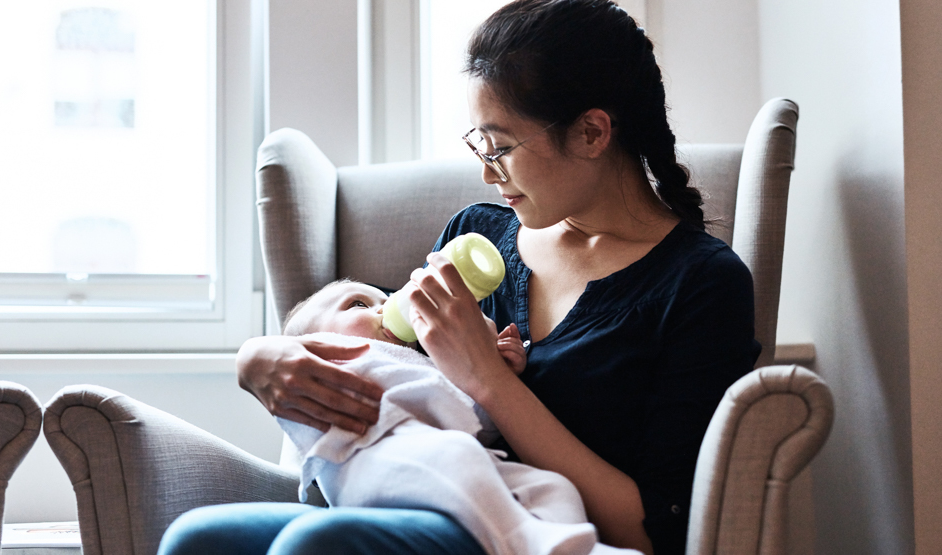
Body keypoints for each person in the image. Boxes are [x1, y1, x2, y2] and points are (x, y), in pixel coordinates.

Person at [162, 1, 759, 554]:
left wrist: (489, 382)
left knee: (317, 547)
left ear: (592, 132)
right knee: (200, 539)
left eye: (499, 147)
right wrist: (259, 356)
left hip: (537, 531)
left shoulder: (702, 283)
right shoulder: (476, 238)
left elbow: (652, 528)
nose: (486, 175)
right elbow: (377, 345)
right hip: (414, 498)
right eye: (478, 145)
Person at [267, 278, 633, 555]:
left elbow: (483, 425)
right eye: (359, 303)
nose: (387, 307)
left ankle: (575, 542)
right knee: (458, 454)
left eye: (388, 298)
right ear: (312, 347)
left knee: (551, 486)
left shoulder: (420, 363)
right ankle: (529, 542)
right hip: (373, 468)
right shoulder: (337, 367)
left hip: (456, 465)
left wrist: (495, 366)